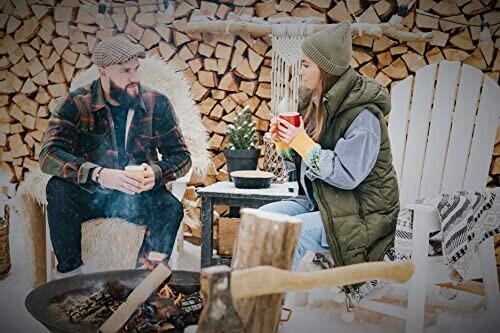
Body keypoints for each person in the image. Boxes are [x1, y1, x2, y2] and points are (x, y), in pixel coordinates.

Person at [262, 22, 400, 290]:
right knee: (263, 219)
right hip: (324, 203)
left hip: (362, 214)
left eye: (305, 65)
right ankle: (255, 298)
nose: (299, 71)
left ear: (325, 69)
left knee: (290, 234)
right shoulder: (315, 103)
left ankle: (271, 309)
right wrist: (286, 145)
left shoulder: (363, 115)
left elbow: (347, 175)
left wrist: (302, 143)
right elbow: (304, 169)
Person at [40, 36, 191, 277]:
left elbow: (182, 157)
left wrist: (156, 173)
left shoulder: (157, 103)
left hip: (139, 197)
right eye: (125, 71)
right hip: (91, 195)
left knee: (171, 208)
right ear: (103, 72)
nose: (134, 78)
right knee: (57, 188)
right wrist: (98, 174)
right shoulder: (76, 103)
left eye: (136, 69)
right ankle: (70, 278)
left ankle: (144, 279)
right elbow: (48, 154)